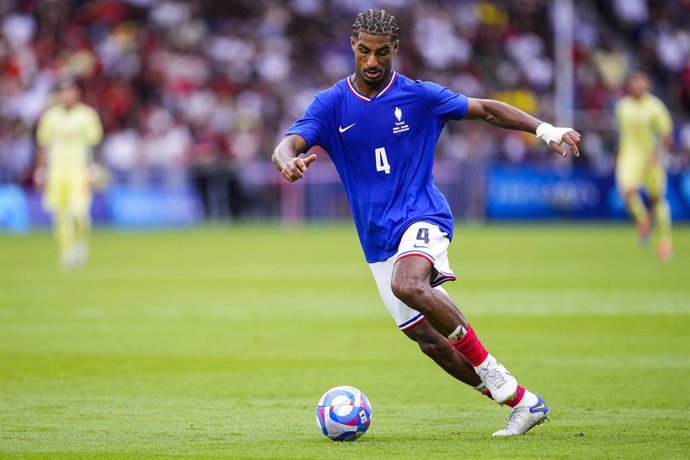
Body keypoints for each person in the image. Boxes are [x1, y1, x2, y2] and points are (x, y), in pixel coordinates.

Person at [272, 9, 581, 436]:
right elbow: (287, 144)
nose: (373, 61)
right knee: (431, 343)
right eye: (364, 51)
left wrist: (545, 129)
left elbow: (487, 110)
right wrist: (287, 161)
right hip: (377, 242)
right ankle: (522, 401)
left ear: (395, 49)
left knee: (409, 283)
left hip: (423, 216)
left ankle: (495, 373)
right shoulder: (330, 104)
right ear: (352, 48)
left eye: (382, 52)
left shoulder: (420, 96)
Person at [35, 79, 104, 270]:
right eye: (63, 91)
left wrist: (94, 168)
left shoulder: (87, 115)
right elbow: (43, 145)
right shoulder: (49, 117)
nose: (66, 95)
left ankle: (81, 243)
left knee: (78, 212)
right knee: (60, 214)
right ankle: (66, 252)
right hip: (56, 171)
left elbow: (94, 145)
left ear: (77, 93)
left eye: (70, 91)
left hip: (79, 170)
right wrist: (41, 170)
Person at [614, 71, 674, 261]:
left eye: (641, 83)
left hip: (651, 156)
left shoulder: (655, 106)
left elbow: (666, 135)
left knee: (656, 199)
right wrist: (619, 153)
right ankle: (643, 220)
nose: (637, 87)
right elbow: (622, 134)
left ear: (646, 85)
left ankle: (665, 241)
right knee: (628, 191)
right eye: (634, 83)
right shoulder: (622, 106)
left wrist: (658, 155)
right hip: (630, 156)